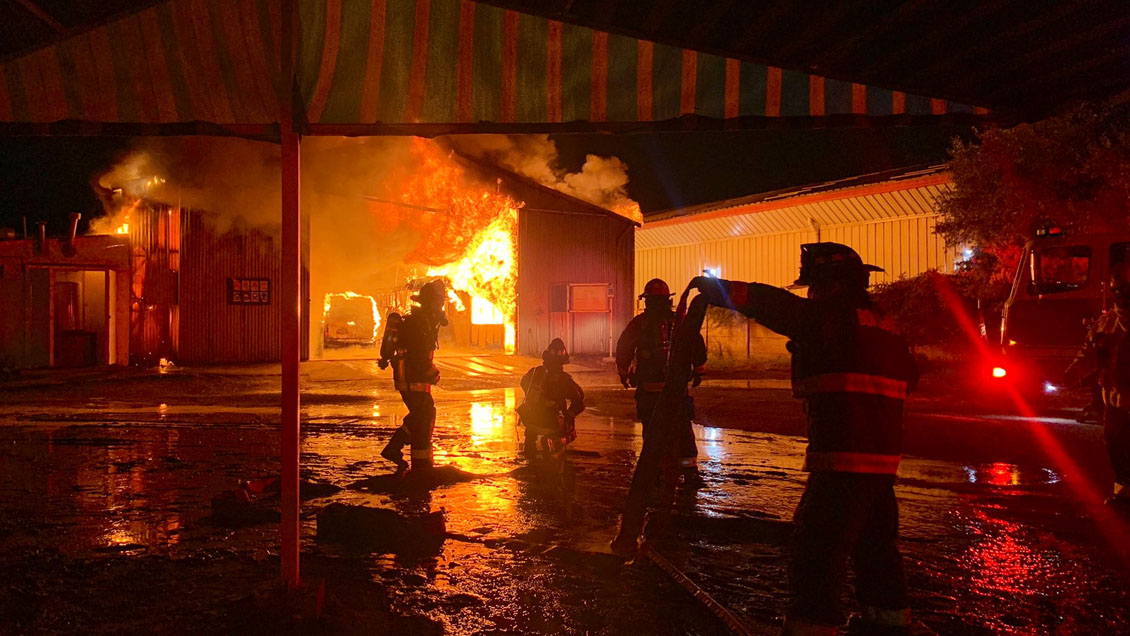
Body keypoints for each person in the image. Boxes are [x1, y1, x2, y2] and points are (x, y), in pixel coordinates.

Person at [688, 243, 918, 636]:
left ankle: (812, 627)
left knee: (817, 550)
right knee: (877, 547)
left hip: (841, 459)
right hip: (883, 466)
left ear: (826, 286)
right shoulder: (888, 326)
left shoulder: (829, 316)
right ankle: (889, 622)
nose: (809, 293)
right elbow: (910, 379)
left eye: (812, 286)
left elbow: (776, 306)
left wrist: (717, 288)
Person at [615, 278, 707, 484]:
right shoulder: (681, 321)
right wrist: (698, 371)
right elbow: (697, 344)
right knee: (683, 427)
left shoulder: (639, 324)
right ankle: (690, 470)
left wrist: (623, 373)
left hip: (649, 390)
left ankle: (654, 470)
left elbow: (624, 348)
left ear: (646, 301)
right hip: (676, 389)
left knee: (652, 429)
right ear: (668, 300)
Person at [1066, 262, 1130, 509]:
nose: (1122, 297)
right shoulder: (1106, 324)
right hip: (1115, 401)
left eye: (1126, 291)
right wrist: (1074, 372)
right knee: (1118, 450)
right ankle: (1124, 495)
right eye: (1118, 291)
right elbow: (1089, 353)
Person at [381, 280, 447, 474]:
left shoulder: (424, 321)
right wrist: (431, 373)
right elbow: (417, 355)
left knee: (424, 414)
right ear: (429, 302)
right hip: (411, 377)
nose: (441, 306)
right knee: (423, 414)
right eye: (438, 302)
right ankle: (395, 449)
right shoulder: (418, 323)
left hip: (415, 376)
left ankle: (421, 462)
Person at [517, 338, 585, 462]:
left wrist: (534, 398)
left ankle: (530, 445)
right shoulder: (565, 380)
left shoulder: (534, 372)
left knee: (533, 423)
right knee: (567, 421)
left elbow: (523, 383)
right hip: (551, 423)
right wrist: (569, 415)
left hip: (530, 420)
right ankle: (556, 442)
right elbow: (579, 399)